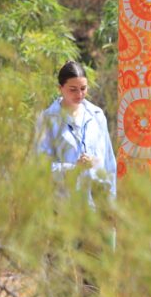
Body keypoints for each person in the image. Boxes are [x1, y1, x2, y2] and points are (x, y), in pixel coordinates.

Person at [35, 60, 117, 208]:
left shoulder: (97, 116)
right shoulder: (47, 119)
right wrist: (74, 168)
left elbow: (109, 162)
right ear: (60, 88)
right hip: (64, 208)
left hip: (98, 208)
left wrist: (111, 203)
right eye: (73, 89)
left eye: (83, 88)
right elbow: (41, 168)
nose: (79, 94)